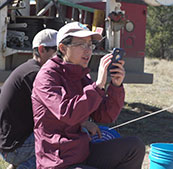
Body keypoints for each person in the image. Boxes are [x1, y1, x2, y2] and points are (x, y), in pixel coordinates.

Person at [31, 21, 145, 169]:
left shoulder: (80, 73)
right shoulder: (47, 76)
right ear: (63, 48)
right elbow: (68, 113)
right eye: (81, 45)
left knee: (134, 147)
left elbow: (105, 116)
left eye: (90, 45)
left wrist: (116, 86)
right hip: (58, 160)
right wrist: (98, 86)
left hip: (82, 152)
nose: (88, 51)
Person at [0, 29, 58, 169]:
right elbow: (56, 113)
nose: (62, 57)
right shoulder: (35, 75)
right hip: (15, 147)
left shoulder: (29, 69)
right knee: (64, 140)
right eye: (58, 51)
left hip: (11, 143)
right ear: (41, 50)